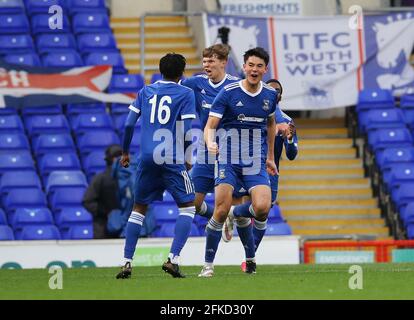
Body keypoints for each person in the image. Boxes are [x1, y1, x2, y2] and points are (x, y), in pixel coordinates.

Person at [198, 47, 289, 277]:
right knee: (219, 210)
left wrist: (270, 157)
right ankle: (208, 265)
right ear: (244, 67)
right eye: (250, 65)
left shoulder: (269, 95)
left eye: (259, 66)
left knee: (262, 208)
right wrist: (210, 143)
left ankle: (236, 216)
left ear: (265, 69)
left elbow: (270, 125)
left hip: (255, 161)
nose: (254, 70)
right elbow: (210, 126)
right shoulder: (228, 93)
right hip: (227, 159)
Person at [115, 53, 196, 279]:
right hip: (171, 157)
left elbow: (129, 123)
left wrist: (124, 152)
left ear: (160, 71)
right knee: (188, 207)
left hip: (146, 157)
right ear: (181, 73)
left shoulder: (145, 91)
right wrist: (188, 156)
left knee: (138, 209)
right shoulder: (186, 93)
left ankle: (126, 263)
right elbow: (187, 130)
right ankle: (173, 259)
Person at [221, 79, 299, 272]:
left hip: (270, 171)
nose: (274, 92)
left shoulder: (287, 121)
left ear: (280, 95)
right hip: (246, 166)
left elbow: (291, 155)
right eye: (270, 89)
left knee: (262, 212)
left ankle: (233, 214)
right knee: (251, 207)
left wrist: (289, 140)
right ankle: (250, 259)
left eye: (277, 90)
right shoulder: (252, 111)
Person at [180, 44, 239, 220]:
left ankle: (227, 218)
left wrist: (282, 121)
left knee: (233, 204)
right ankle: (218, 217)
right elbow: (173, 87)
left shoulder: (236, 85)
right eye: (204, 61)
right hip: (207, 148)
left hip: (232, 150)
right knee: (193, 203)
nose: (206, 65)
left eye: (211, 61)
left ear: (223, 63)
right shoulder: (197, 83)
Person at [82, 144, 122, 239]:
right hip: (104, 230)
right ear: (112, 159)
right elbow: (87, 202)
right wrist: (107, 212)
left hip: (123, 231)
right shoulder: (100, 179)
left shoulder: (130, 179)